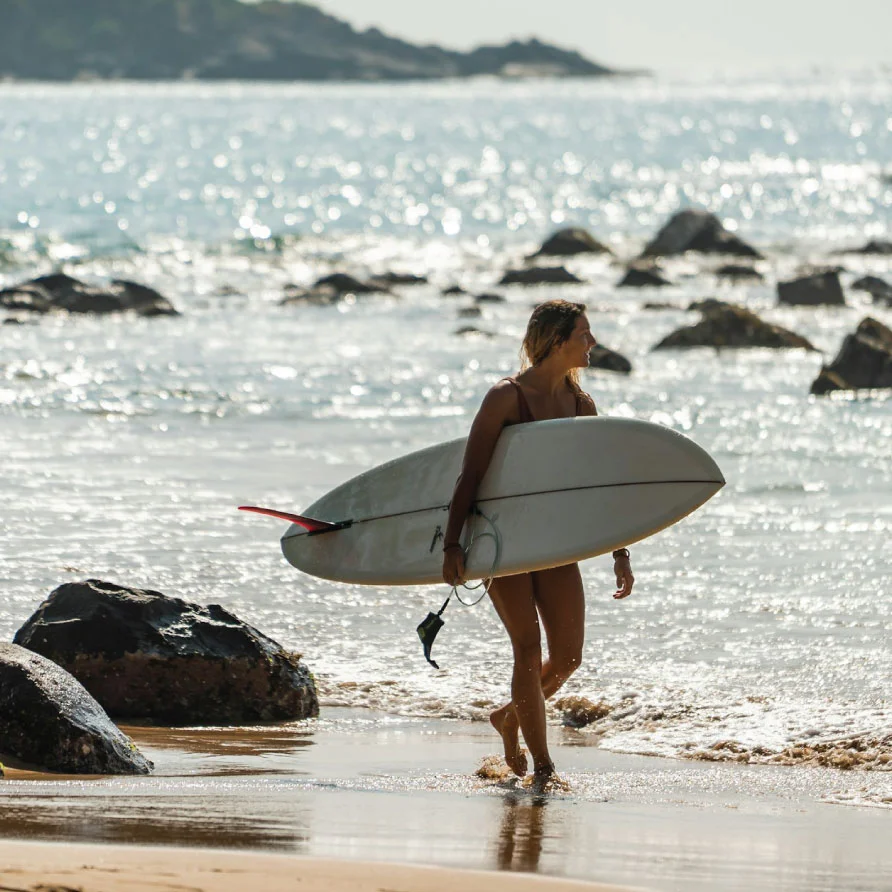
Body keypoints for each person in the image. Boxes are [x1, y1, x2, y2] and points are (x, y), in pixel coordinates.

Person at [441, 299, 635, 787]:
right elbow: (471, 474)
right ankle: (544, 766)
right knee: (526, 649)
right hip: (503, 541)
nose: (592, 343)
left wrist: (620, 552)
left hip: (552, 543)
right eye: (584, 334)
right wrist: (452, 545)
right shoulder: (505, 398)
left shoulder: (581, 405)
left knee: (569, 655)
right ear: (555, 341)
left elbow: (599, 487)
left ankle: (510, 716)